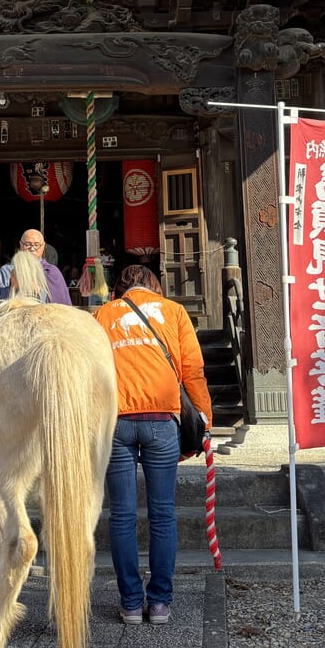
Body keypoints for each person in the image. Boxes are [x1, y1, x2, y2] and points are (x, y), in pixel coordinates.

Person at [93, 264, 212, 626]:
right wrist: (204, 418)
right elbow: (192, 370)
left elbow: (92, 370)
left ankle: (130, 603)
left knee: (123, 515)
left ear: (121, 289)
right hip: (162, 420)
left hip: (116, 421)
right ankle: (159, 602)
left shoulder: (103, 314)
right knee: (162, 513)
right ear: (153, 287)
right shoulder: (174, 312)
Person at [0, 228, 72, 306]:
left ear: (43, 246)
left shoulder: (52, 271)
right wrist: (12, 289)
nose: (32, 248)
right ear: (20, 245)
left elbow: (62, 305)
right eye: (28, 244)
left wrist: (40, 291)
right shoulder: (8, 270)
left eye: (36, 245)